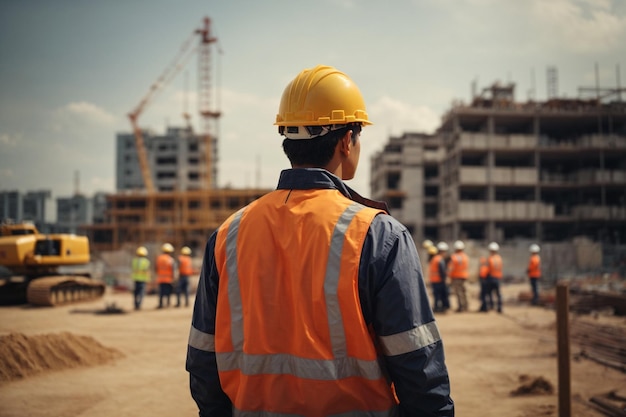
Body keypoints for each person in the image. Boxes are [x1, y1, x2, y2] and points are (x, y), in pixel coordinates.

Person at [186, 64, 454, 416]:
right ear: (347, 140)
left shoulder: (228, 234)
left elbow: (204, 361)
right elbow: (418, 368)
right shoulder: (377, 234)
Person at [429, 241, 451, 313]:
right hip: (439, 280)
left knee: (436, 296)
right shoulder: (440, 259)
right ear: (443, 251)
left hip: (434, 280)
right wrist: (445, 279)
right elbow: (442, 271)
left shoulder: (434, 258)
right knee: (443, 295)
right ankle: (443, 308)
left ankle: (436, 308)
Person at [449, 240, 469, 312]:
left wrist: (450, 276)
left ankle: (461, 307)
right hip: (464, 276)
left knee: (459, 293)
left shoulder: (454, 257)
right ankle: (466, 306)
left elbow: (451, 268)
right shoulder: (465, 256)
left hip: (456, 277)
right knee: (465, 292)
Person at [156, 242, 176, 309]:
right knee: (168, 292)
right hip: (168, 279)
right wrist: (173, 277)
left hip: (161, 278)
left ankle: (161, 304)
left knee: (161, 292)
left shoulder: (159, 258)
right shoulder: (170, 259)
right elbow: (173, 269)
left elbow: (156, 268)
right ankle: (168, 303)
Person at [131, 246, 151, 310]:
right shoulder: (146, 262)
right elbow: (146, 270)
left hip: (136, 279)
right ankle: (139, 304)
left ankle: (135, 304)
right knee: (141, 293)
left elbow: (133, 269)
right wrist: (148, 279)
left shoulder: (134, 261)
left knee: (136, 292)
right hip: (142, 279)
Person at [486, 241, 503, 313]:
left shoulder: (490, 258)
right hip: (498, 277)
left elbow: (488, 269)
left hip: (491, 277)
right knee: (498, 294)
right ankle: (500, 307)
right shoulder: (499, 258)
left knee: (490, 293)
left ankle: (491, 305)